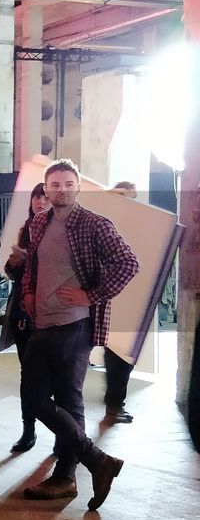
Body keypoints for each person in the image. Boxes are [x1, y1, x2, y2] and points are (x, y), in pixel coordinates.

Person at [21, 160, 139, 508]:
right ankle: (98, 461)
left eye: (68, 183)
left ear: (77, 187)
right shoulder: (39, 222)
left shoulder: (94, 224)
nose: (62, 189)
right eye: (55, 184)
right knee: (35, 400)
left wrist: (92, 295)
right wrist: (28, 290)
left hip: (74, 324)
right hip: (42, 322)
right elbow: (34, 264)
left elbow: (128, 263)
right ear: (45, 189)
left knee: (70, 401)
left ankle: (66, 477)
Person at [0, 183, 49, 453]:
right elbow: (12, 273)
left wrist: (29, 259)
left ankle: (61, 434)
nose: (40, 202)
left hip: (51, 312)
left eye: (45, 198)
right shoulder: (25, 230)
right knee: (27, 373)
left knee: (55, 376)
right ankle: (27, 429)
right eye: (36, 198)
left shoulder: (61, 230)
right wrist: (15, 262)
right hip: (23, 311)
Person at [102, 181, 139, 424]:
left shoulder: (140, 227)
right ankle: (114, 403)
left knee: (124, 355)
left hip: (132, 300)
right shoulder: (104, 227)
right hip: (109, 299)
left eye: (131, 198)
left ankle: (115, 401)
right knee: (114, 353)